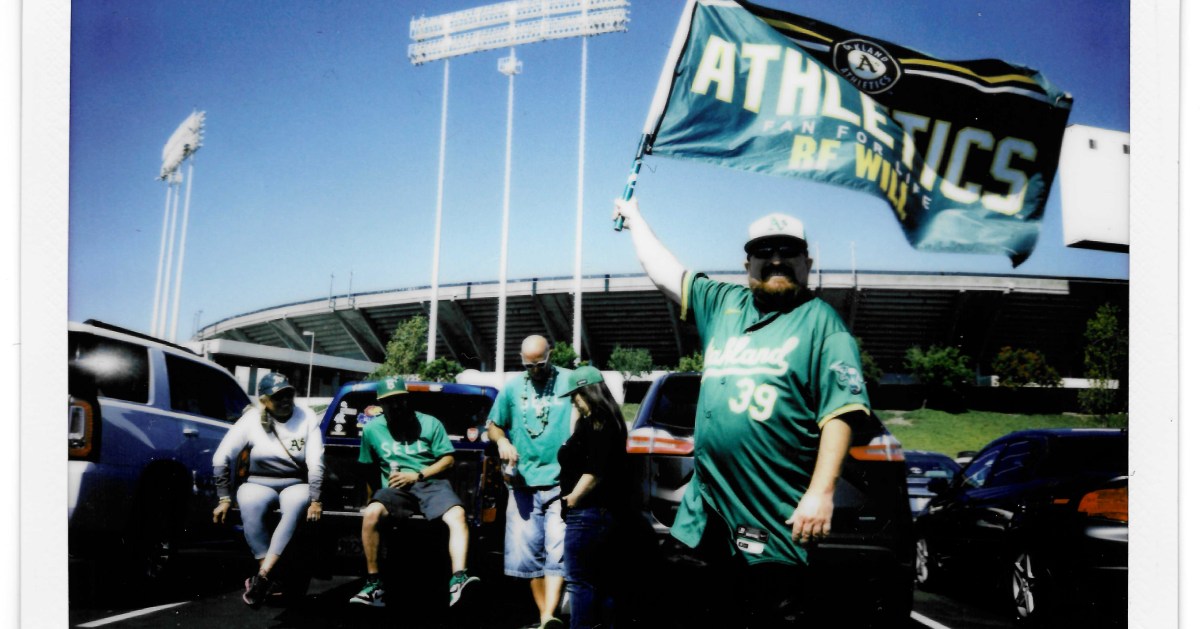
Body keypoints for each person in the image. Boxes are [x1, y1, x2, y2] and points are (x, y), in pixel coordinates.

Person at [613, 198, 872, 627]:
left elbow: (841, 413)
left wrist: (821, 492)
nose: (775, 261)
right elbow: (667, 272)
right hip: (704, 513)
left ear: (807, 262)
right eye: (763, 252)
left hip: (773, 517)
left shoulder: (821, 323)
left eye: (787, 252)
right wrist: (636, 219)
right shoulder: (723, 305)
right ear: (746, 263)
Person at [349, 376, 480, 608]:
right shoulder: (371, 430)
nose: (396, 406)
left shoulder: (430, 423)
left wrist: (418, 475)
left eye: (400, 400)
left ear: (407, 400)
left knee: (457, 515)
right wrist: (374, 499)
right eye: (390, 402)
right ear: (381, 403)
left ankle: (458, 579)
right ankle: (374, 585)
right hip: (395, 488)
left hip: (429, 483)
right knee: (371, 514)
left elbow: (449, 460)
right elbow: (368, 469)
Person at [213, 372, 325, 607]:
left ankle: (262, 577)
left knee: (295, 506)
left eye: (288, 394)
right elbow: (221, 456)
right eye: (278, 397)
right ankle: (269, 575)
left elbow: (316, 461)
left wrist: (315, 499)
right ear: (264, 401)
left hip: (295, 481)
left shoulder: (307, 417)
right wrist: (224, 497)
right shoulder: (252, 419)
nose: (285, 401)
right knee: (249, 505)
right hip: (258, 481)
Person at [487, 335, 574, 629]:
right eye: (529, 365)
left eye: (541, 364)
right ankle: (545, 616)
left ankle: (549, 614)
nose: (535, 370)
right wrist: (501, 442)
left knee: (558, 550)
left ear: (551, 354)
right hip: (523, 483)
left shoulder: (569, 381)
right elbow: (494, 425)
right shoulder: (512, 388)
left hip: (562, 482)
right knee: (527, 557)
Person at [557, 365, 631, 629]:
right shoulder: (604, 422)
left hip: (587, 513)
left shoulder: (600, 424)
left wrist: (574, 497)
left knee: (579, 582)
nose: (572, 401)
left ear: (588, 392)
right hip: (602, 515)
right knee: (603, 582)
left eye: (575, 395)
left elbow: (596, 470)